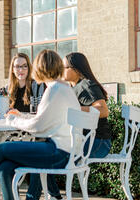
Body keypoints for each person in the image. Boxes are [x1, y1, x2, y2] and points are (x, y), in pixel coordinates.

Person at [0, 50, 81, 200]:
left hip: (58, 152)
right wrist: (20, 115)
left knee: (1, 148)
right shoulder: (62, 88)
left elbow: (38, 127)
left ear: (40, 68)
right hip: (65, 150)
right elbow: (45, 119)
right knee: (5, 167)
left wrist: (13, 120)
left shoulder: (54, 89)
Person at [27, 52, 113, 200]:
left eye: (64, 67)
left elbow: (104, 111)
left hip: (98, 143)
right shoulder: (70, 88)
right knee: (43, 152)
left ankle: (37, 197)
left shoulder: (87, 85)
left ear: (77, 69)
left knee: (43, 155)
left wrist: (73, 109)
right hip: (82, 141)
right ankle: (54, 196)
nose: (60, 70)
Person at [0, 53, 45, 118]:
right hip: (11, 127)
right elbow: (4, 118)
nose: (21, 70)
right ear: (13, 70)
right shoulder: (7, 89)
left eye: (24, 66)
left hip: (30, 127)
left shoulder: (38, 86)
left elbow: (42, 115)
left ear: (29, 68)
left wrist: (20, 115)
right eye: (17, 66)